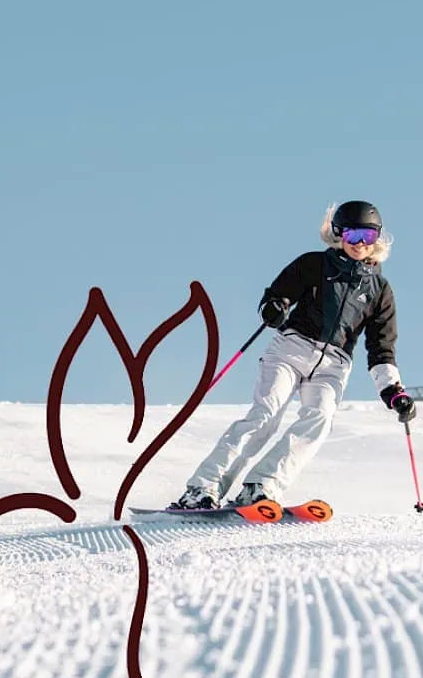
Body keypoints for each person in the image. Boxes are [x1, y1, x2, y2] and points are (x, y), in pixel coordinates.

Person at [171, 199, 413, 510]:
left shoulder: (380, 291)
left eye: (368, 236)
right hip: (292, 348)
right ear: (339, 234)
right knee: (265, 415)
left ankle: (261, 486)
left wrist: (392, 390)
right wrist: (274, 308)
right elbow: (276, 296)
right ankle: (202, 488)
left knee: (319, 420)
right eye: (353, 236)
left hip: (334, 364)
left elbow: (381, 347)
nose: (360, 244)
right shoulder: (314, 264)